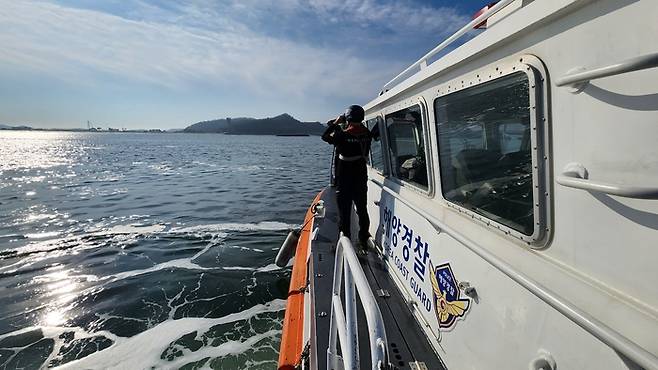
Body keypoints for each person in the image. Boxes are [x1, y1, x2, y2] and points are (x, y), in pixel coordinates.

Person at [322, 104, 372, 248]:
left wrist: (335, 123)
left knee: (344, 212)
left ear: (348, 118)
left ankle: (346, 242)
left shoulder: (342, 135)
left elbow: (324, 136)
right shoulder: (367, 134)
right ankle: (363, 240)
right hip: (361, 178)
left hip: (344, 179)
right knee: (362, 209)